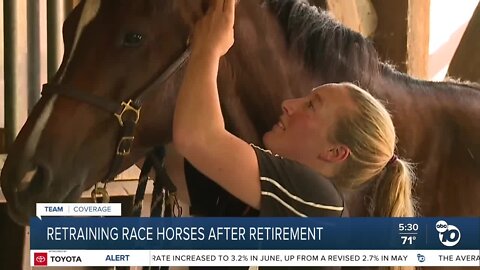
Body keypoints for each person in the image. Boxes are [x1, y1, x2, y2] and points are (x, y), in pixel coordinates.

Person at [172, 0, 416, 219]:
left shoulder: (319, 200)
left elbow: (196, 138)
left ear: (334, 152)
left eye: (311, 105)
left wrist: (208, 47)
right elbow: (189, 158)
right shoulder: (297, 198)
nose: (288, 105)